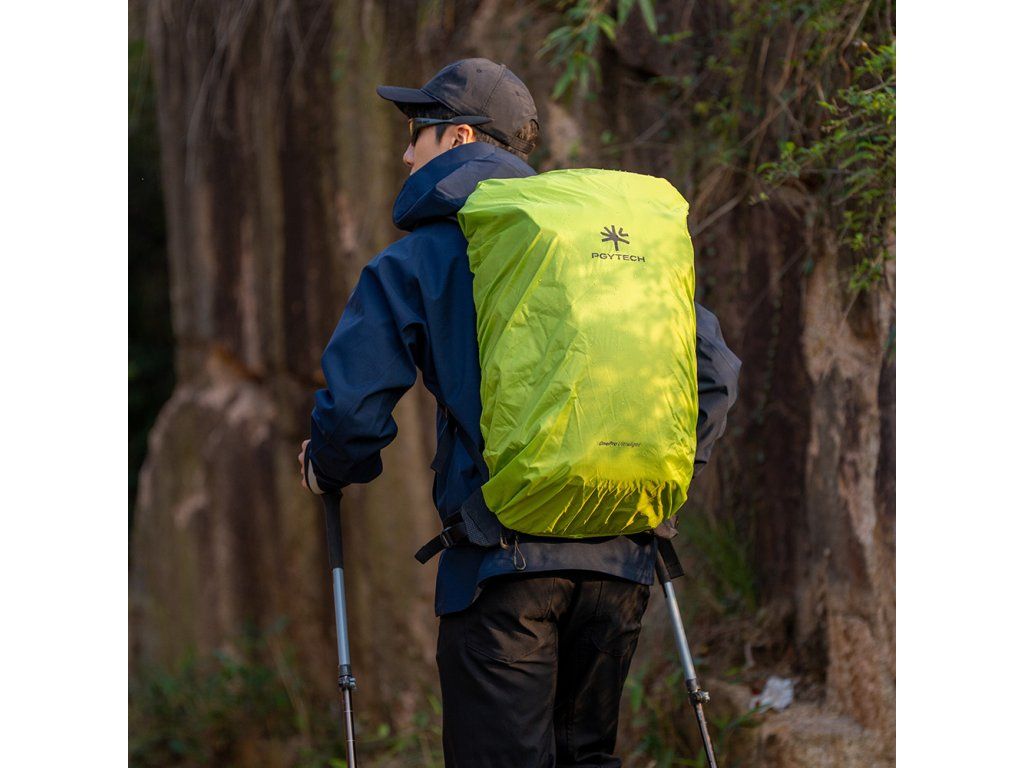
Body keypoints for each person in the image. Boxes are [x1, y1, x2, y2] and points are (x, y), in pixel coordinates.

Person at [298, 58, 741, 768]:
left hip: (501, 565)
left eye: (416, 133)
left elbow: (353, 411)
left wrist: (327, 466)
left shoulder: (430, 253)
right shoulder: (587, 249)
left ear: (460, 136)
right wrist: (653, 472)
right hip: (622, 558)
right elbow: (714, 371)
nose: (406, 154)